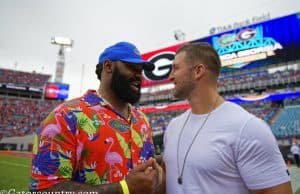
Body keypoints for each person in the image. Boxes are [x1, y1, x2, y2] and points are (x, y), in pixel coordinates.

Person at [30, 41, 164, 194]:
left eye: (140, 71)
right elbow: (43, 190)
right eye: (132, 68)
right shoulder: (65, 116)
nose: (139, 76)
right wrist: (124, 189)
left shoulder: (142, 120)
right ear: (108, 67)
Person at [163, 42, 292, 194]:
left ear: (198, 71)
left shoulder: (247, 128)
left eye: (176, 68)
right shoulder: (173, 126)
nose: (170, 76)